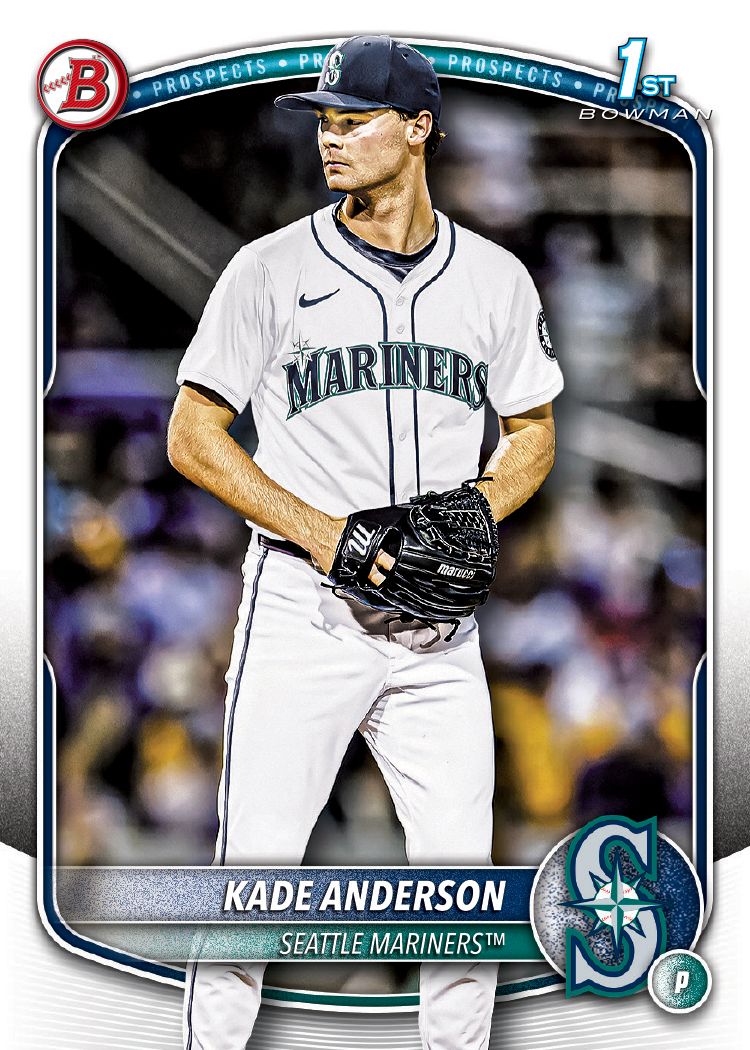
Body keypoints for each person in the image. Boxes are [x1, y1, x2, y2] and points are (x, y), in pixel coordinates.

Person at [168, 34, 563, 1050]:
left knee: (461, 892)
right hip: (305, 609)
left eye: (356, 120)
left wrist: (477, 508)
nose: (332, 139)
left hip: (437, 628)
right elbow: (192, 435)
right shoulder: (269, 269)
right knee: (252, 882)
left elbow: (532, 430)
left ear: (418, 128)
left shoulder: (496, 279)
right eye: (326, 121)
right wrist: (323, 533)